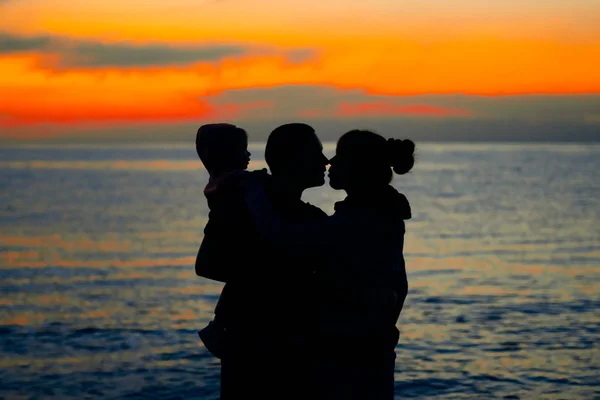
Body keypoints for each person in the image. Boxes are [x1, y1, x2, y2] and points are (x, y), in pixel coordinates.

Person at [242, 129, 415, 400]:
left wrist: (253, 193)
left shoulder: (363, 220)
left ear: (358, 168)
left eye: (339, 157)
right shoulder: (374, 213)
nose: (330, 162)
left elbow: (280, 237)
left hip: (352, 357)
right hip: (360, 351)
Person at [194, 122, 329, 399]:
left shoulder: (308, 216)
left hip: (281, 342)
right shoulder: (245, 203)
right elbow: (207, 264)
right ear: (294, 160)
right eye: (317, 153)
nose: (325, 161)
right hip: (259, 344)